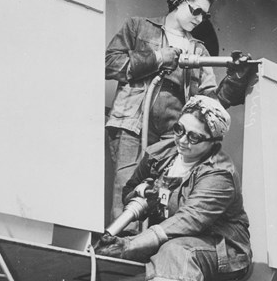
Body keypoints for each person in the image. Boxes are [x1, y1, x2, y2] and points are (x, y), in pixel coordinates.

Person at [105, 0, 252, 225]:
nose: (199, 19)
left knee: (164, 198)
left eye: (205, 15)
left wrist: (236, 78)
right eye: (196, 11)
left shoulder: (199, 50)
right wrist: (158, 58)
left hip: (173, 134)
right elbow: (110, 64)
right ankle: (119, 253)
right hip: (132, 124)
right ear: (178, 0)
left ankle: (150, 252)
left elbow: (209, 103)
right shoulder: (138, 27)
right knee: (126, 192)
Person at [95, 95, 251, 281]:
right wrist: (142, 195)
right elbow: (130, 189)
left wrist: (130, 245)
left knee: (175, 251)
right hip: (169, 241)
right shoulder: (159, 154)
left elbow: (189, 220)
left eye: (194, 137)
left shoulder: (219, 174)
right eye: (179, 129)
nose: (183, 140)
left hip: (221, 247)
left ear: (213, 142)